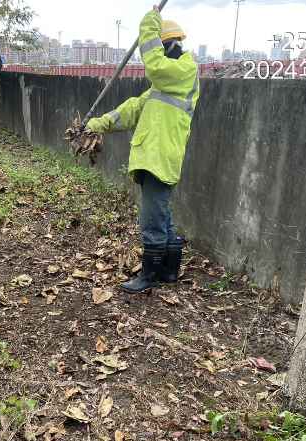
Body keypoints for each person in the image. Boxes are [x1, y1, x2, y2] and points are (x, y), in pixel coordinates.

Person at [86, 7, 200, 293]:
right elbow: (131, 110)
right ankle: (168, 271)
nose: (159, 53)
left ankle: (149, 275)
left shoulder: (184, 71)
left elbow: (156, 66)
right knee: (162, 216)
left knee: (152, 219)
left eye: (160, 46)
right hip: (152, 158)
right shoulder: (163, 85)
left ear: (169, 45)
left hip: (161, 159)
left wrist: (148, 25)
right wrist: (96, 125)